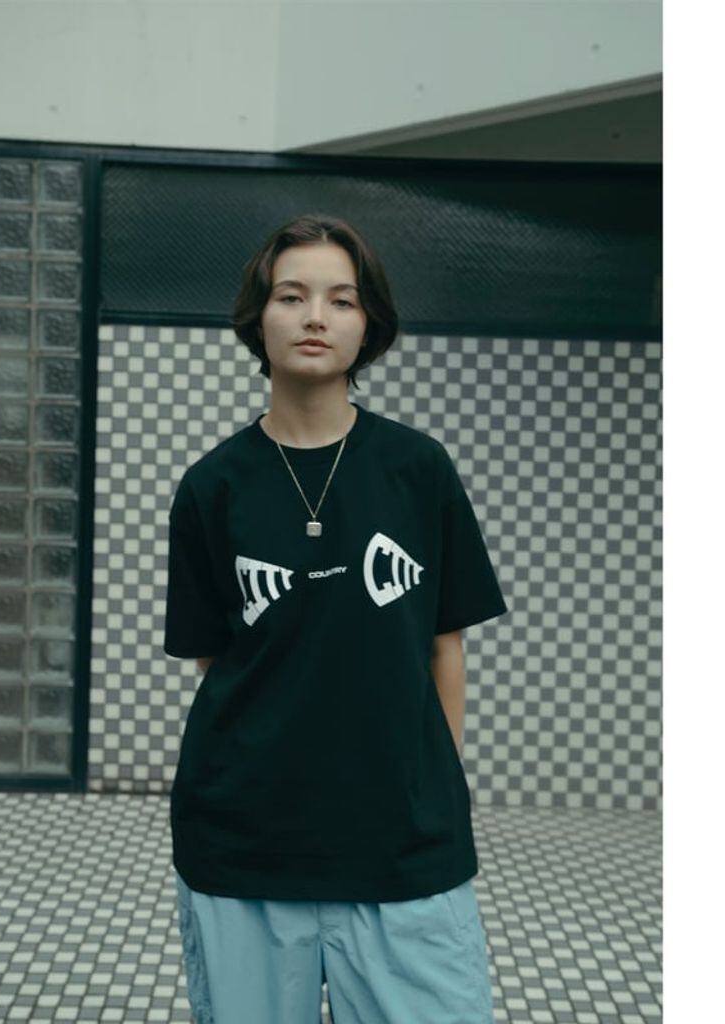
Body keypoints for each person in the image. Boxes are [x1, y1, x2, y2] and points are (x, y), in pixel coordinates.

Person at [163, 213, 509, 1023]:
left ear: (368, 323)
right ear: (258, 318)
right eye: (292, 296)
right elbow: (218, 663)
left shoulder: (418, 469)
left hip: (402, 845)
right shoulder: (212, 486)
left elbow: (445, 647)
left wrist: (430, 788)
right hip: (244, 844)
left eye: (341, 299)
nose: (315, 316)